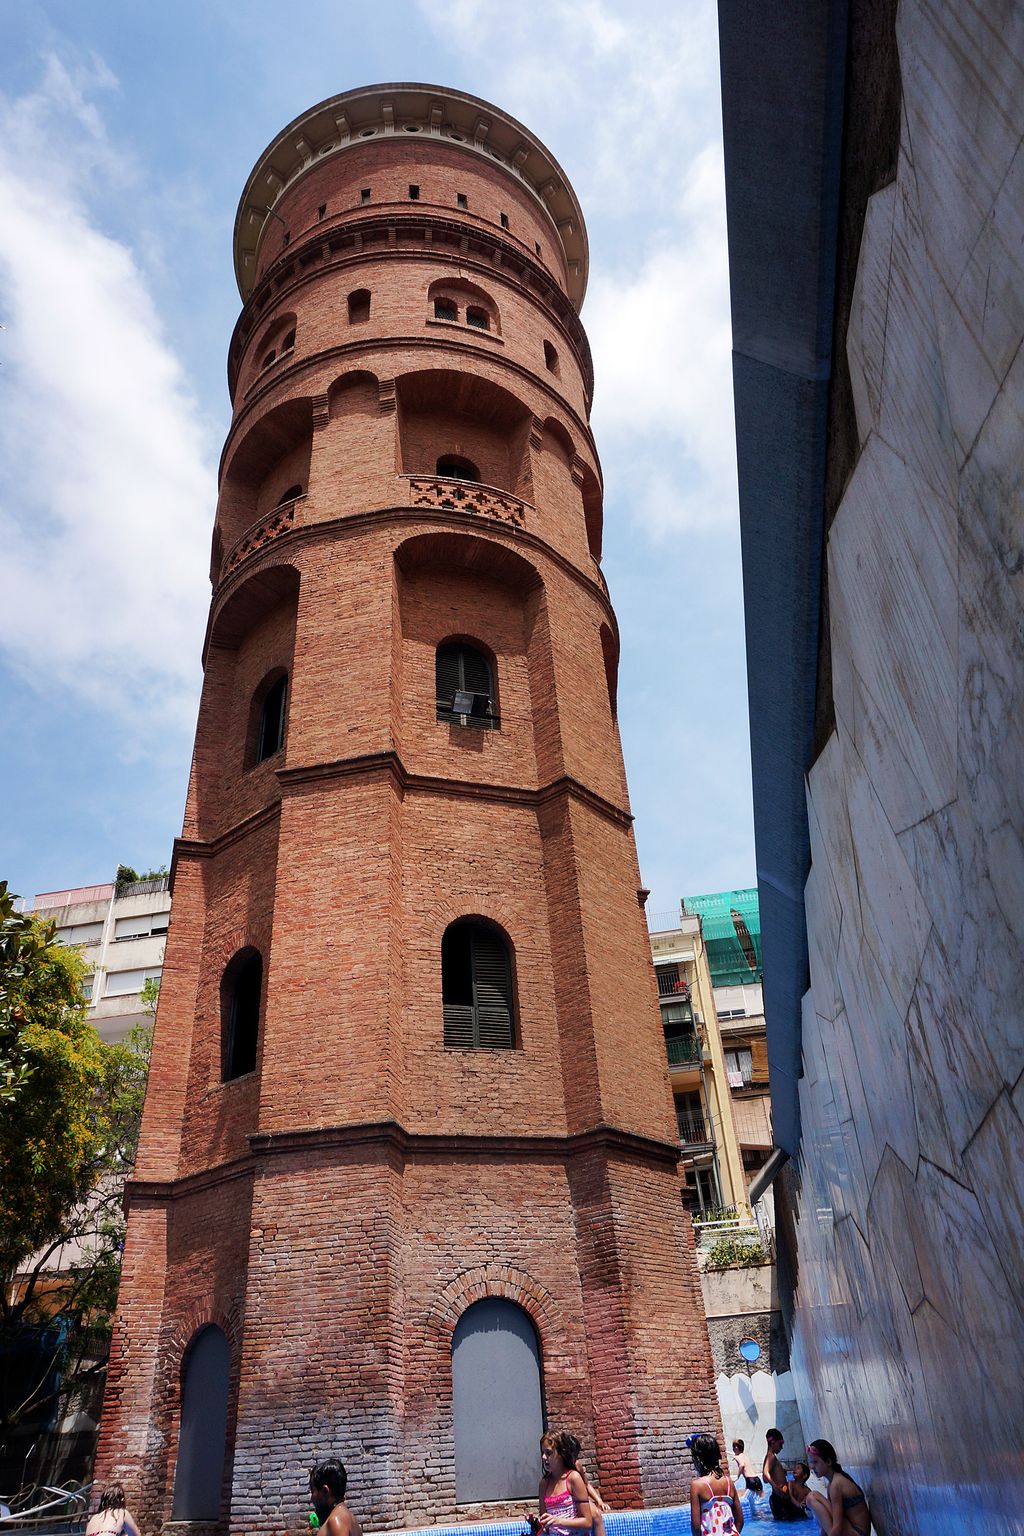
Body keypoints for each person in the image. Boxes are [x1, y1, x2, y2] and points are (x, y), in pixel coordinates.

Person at [805, 1441, 870, 1536]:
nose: (812, 1467)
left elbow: (837, 1526)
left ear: (828, 1462)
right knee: (813, 1496)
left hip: (858, 1534)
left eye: (815, 1462)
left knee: (812, 1497)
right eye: (811, 1462)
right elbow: (826, 1521)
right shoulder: (832, 1483)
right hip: (853, 1530)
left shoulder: (836, 1484)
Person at [687, 1432, 743, 1535]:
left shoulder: (697, 1486)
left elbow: (696, 1527)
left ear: (698, 1459)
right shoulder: (728, 1482)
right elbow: (740, 1520)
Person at [538, 1431, 593, 1536]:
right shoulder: (543, 1484)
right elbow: (545, 1527)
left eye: (548, 1453)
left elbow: (587, 1522)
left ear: (561, 1453)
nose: (544, 1457)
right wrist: (536, 1524)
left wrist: (559, 1521)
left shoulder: (573, 1478)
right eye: (543, 1453)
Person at [309, 1457, 362, 1536]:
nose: (312, 1498)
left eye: (313, 1491)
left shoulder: (336, 1520)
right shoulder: (350, 1518)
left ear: (325, 1491)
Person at [763, 1430, 806, 1522]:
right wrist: (776, 1487)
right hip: (778, 1497)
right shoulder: (771, 1457)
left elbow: (764, 1479)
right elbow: (765, 1474)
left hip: (778, 1497)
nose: (782, 1448)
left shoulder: (769, 1457)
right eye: (780, 1444)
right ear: (773, 1442)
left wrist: (780, 1473)